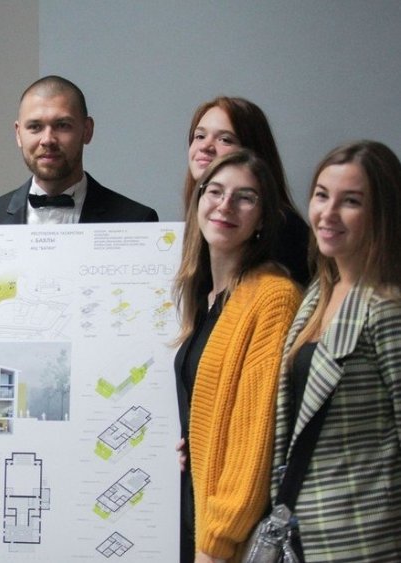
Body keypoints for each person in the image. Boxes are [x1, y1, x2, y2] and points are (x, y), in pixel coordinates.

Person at [273, 141, 401, 560]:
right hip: (301, 528)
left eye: (351, 201)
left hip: (366, 536)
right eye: (321, 195)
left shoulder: (386, 306)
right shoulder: (317, 294)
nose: (327, 214)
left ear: (382, 213)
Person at [173, 150, 301, 562]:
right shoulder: (206, 297)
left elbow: (255, 437)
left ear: (262, 218)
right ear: (199, 200)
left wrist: (219, 542)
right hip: (193, 511)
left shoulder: (273, 298)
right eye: (215, 191)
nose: (225, 205)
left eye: (245, 197)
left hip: (228, 537)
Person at [0, 75, 158, 225]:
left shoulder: (137, 221)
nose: (47, 140)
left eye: (62, 125)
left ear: (87, 130)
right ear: (18, 134)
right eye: (35, 127)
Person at [183, 96, 311, 286]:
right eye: (200, 136)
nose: (205, 147)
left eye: (225, 139)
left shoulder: (282, 228)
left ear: (252, 153)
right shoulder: (203, 219)